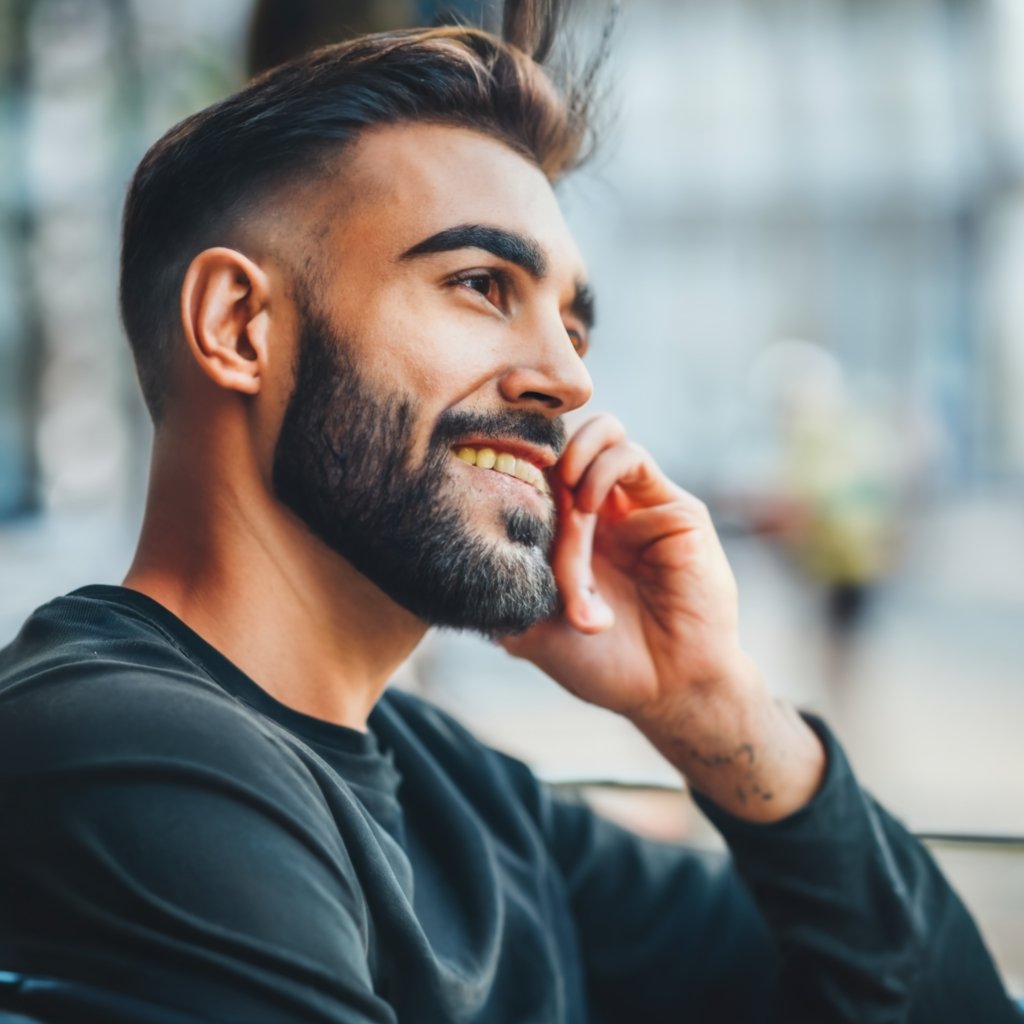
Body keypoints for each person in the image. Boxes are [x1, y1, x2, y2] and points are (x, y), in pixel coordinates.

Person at [0, 3, 1019, 1022]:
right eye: (481, 283)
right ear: (239, 327)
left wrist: (709, 704)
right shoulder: (124, 750)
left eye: (572, 322)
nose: (568, 379)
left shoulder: (457, 790)